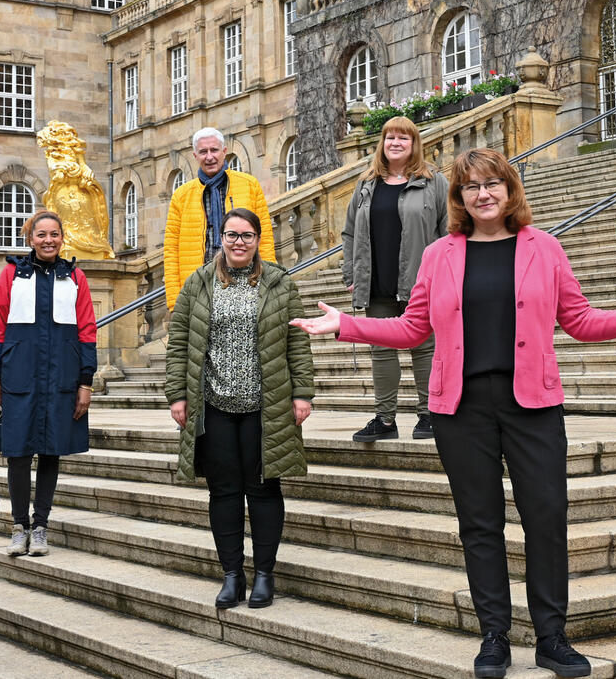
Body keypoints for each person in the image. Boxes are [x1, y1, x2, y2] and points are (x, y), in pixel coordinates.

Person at [292, 149, 616, 679]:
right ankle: (494, 636)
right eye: (470, 187)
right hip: (462, 409)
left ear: (509, 190)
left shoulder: (543, 248)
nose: (483, 194)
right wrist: (347, 325)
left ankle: (552, 638)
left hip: (532, 404)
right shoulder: (439, 255)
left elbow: (577, 319)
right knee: (479, 524)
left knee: (546, 520)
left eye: (492, 184)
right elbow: (413, 330)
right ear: (457, 198)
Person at [166, 207, 314, 610]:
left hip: (265, 406)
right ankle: (232, 575)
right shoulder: (199, 283)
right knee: (224, 492)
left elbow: (297, 341)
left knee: (264, 490)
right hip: (213, 405)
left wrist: (303, 393)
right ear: (222, 239)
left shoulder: (279, 283)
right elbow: (180, 340)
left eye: (246, 235)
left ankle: (264, 574)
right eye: (232, 235)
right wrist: (176, 395)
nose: (238, 242)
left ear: (258, 239)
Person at [0, 210, 98, 557]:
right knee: (17, 453)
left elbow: (87, 331)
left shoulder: (75, 277)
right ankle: (19, 526)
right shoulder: (11, 274)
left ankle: (41, 526)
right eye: (40, 234)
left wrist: (86, 383)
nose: (48, 240)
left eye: (54, 234)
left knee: (51, 452)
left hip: (61, 378)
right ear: (30, 238)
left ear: (63, 238)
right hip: (20, 377)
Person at [341, 115, 449, 442]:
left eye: (404, 138)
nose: (396, 143)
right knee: (381, 350)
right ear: (382, 144)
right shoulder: (366, 185)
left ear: (415, 144)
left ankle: (429, 414)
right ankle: (385, 419)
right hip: (377, 282)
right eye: (390, 138)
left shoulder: (434, 183)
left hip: (420, 282)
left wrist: (448, 276)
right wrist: (352, 274)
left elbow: (449, 232)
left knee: (424, 347)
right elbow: (349, 233)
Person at [164, 127, 276, 310]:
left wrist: (270, 284)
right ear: (195, 156)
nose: (209, 157)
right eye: (203, 152)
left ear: (224, 152)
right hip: (199, 287)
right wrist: (174, 302)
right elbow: (171, 251)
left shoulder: (249, 185)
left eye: (214, 150)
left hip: (245, 281)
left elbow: (265, 240)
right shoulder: (181, 195)